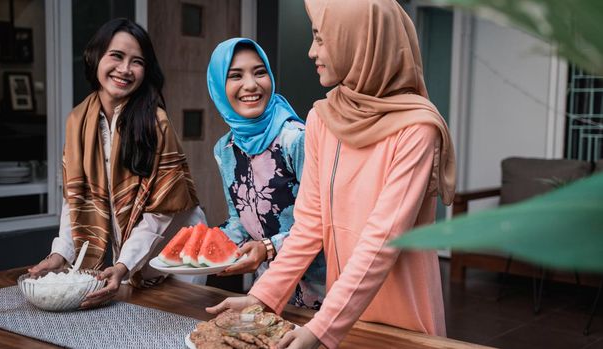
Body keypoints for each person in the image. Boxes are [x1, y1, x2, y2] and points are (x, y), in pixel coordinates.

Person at [206, 0, 457, 348]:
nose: (312, 52)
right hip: (339, 309)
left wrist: (322, 327)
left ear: (359, 41)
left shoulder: (416, 129)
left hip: (400, 312)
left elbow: (382, 240)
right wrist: (262, 296)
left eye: (321, 39)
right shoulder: (323, 119)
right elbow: (309, 225)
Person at [28, 18, 206, 308]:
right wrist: (60, 253)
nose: (125, 69)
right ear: (95, 56)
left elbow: (160, 212)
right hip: (130, 257)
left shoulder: (155, 122)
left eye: (137, 62)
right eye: (117, 56)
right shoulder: (77, 122)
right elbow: (74, 200)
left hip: (179, 253)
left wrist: (123, 265)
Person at [206, 38, 326, 309]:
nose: (251, 85)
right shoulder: (224, 149)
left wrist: (268, 247)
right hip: (266, 291)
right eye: (235, 75)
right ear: (217, 87)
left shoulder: (296, 139)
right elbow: (239, 219)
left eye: (260, 72)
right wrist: (209, 244)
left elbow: (323, 221)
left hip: (322, 292)